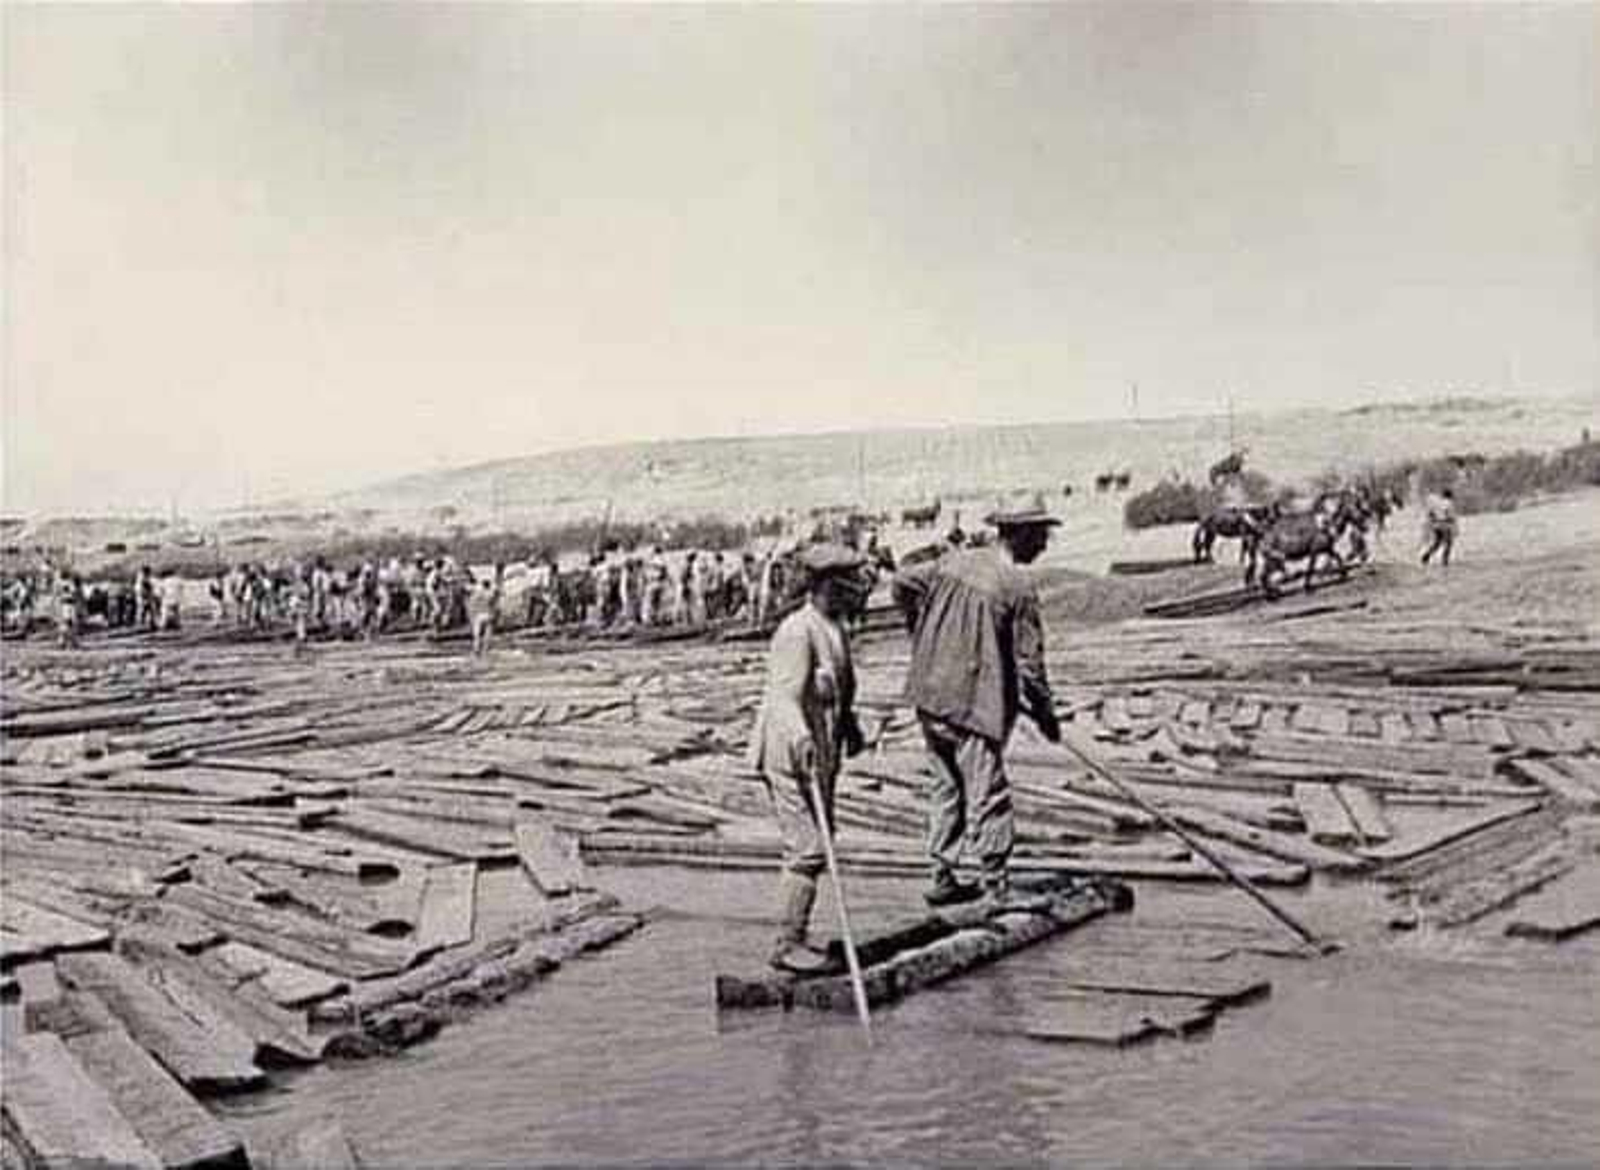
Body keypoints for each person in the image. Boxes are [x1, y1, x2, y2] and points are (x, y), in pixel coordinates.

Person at [893, 496, 1063, 912]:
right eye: (1041, 534)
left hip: (930, 696)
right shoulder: (1017, 586)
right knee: (988, 792)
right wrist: (1046, 716)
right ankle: (995, 884)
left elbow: (902, 582)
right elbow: (1031, 668)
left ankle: (942, 875)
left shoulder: (951, 563)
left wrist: (920, 632)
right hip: (973, 705)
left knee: (946, 786)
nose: (1045, 543)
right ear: (1020, 533)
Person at [747, 542, 869, 974]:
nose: (857, 588)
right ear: (825, 584)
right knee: (808, 849)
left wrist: (850, 726)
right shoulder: (796, 632)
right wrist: (801, 740)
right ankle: (786, 944)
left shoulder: (834, 628)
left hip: (821, 750)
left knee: (821, 841)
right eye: (848, 582)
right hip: (788, 752)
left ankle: (796, 934)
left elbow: (840, 690)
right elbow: (784, 697)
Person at [1420, 487, 1457, 566]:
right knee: (1448, 543)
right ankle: (1444, 561)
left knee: (1437, 543)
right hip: (1445, 525)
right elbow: (1450, 515)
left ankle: (1426, 555)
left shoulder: (1438, 503)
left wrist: (1433, 520)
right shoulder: (1449, 503)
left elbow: (1431, 513)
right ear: (1450, 496)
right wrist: (1452, 521)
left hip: (1436, 525)